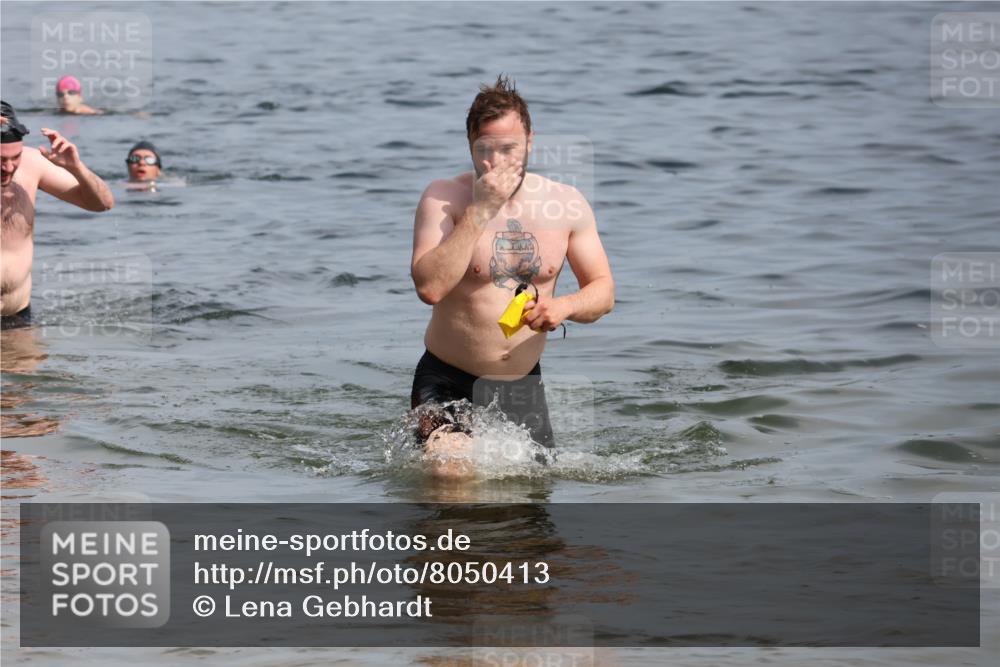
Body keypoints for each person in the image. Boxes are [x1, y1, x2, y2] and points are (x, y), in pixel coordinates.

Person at [409, 75, 614, 456]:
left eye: (508, 149)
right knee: (451, 473)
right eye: (484, 149)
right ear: (469, 146)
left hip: (522, 385)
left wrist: (565, 306)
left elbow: (603, 292)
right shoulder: (444, 198)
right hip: (447, 378)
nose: (495, 162)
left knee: (528, 504)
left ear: (530, 142)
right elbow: (430, 287)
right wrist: (480, 211)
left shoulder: (566, 203)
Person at [1, 100, 115, 328]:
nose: (10, 168)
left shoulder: (33, 164)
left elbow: (102, 204)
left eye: (15, 157)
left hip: (17, 319)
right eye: (1, 160)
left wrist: (76, 168)